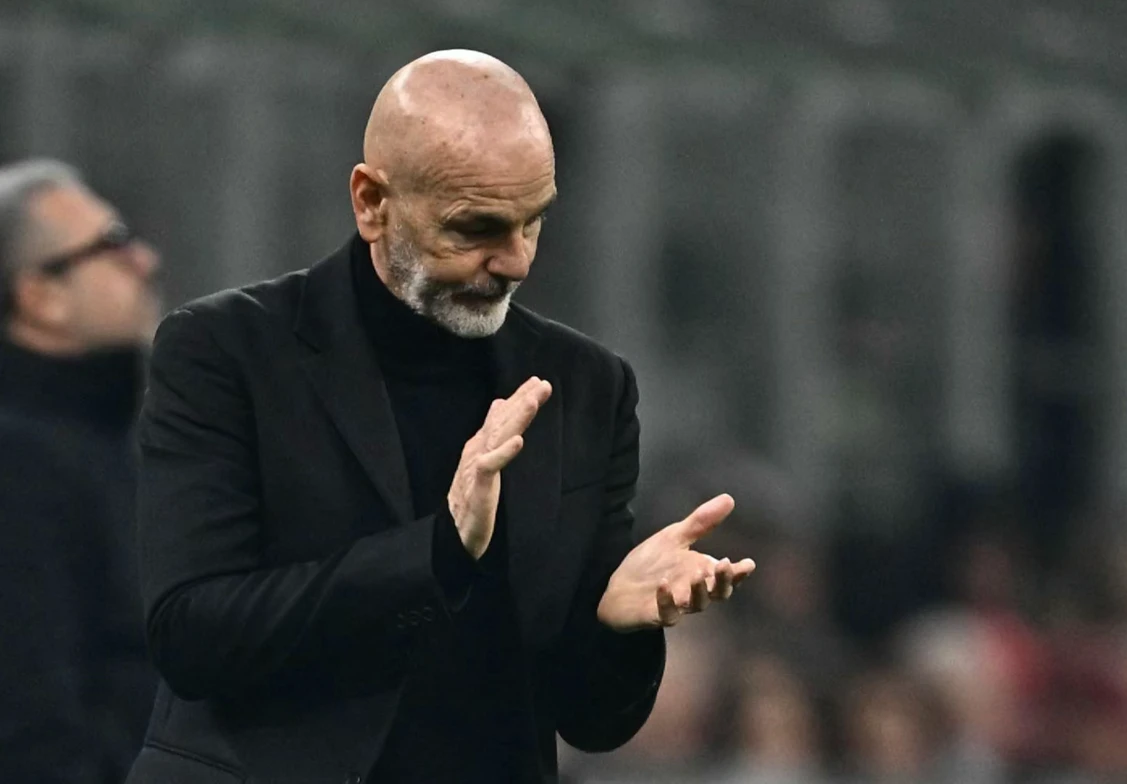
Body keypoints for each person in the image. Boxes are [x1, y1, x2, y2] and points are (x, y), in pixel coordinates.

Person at [126, 49, 756, 783]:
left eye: (534, 221)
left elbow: (590, 718)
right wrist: (437, 554)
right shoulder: (226, 350)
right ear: (371, 202)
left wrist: (619, 626)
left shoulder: (587, 386)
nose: (517, 261)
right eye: (477, 228)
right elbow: (193, 636)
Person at [0, 159, 162, 782]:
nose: (143, 261)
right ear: (40, 295)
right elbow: (29, 733)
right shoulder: (20, 469)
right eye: (112, 245)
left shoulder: (104, 445)